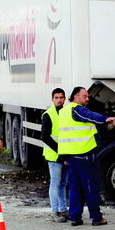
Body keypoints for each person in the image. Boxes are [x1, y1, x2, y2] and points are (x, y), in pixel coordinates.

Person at [56, 86, 115, 226]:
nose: (87, 99)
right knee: (90, 187)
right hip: (84, 156)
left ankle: (75, 218)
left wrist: (64, 157)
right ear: (75, 97)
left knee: (74, 188)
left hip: (71, 158)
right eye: (85, 96)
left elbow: (65, 135)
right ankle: (96, 218)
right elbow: (90, 116)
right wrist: (105, 118)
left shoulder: (64, 111)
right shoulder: (77, 109)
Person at [40, 87, 69, 222]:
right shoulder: (48, 115)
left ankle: (63, 210)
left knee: (63, 184)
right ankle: (55, 211)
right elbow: (45, 137)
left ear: (64, 99)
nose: (59, 100)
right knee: (55, 183)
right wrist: (60, 151)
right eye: (56, 98)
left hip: (65, 155)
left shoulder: (67, 113)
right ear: (52, 99)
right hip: (54, 155)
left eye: (61, 97)